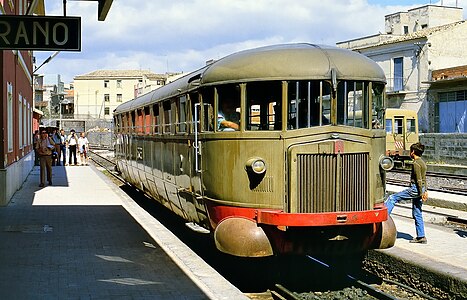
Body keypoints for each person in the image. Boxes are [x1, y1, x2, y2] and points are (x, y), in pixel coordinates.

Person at [385, 142, 428, 244]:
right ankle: (421, 236)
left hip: (415, 189)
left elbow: (418, 179)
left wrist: (421, 192)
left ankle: (383, 221)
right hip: (421, 189)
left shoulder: (416, 163)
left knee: (392, 198)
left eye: (410, 150)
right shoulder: (423, 162)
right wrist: (425, 190)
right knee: (417, 212)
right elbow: (424, 178)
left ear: (413, 152)